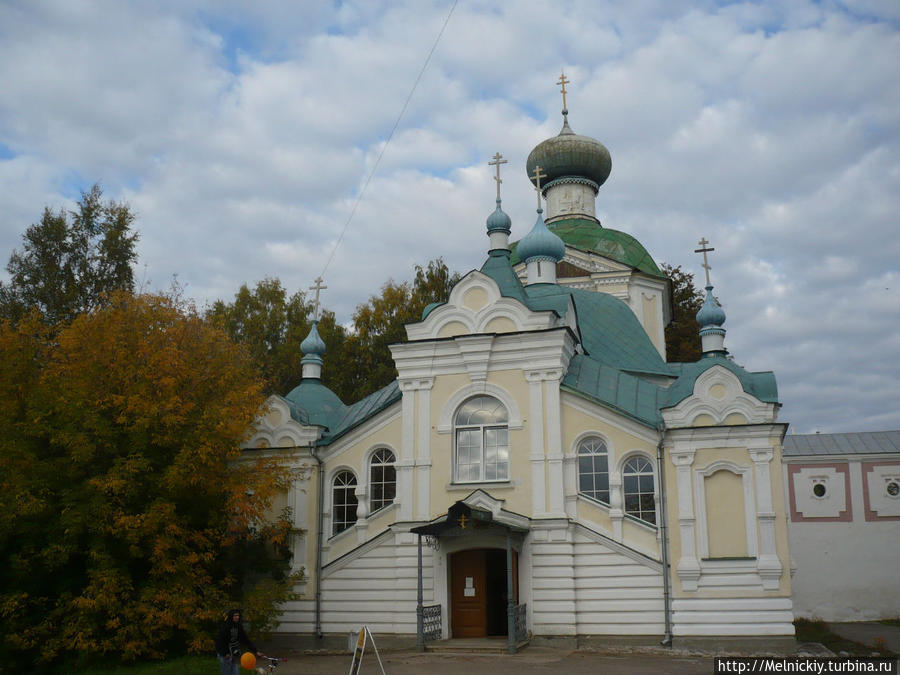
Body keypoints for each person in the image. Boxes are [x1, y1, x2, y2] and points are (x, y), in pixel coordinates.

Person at [215, 608, 262, 675]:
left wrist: (256, 651)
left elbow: (245, 640)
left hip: (233, 653)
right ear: (231, 616)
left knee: (235, 673)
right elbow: (221, 641)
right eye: (235, 615)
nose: (237, 617)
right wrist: (225, 653)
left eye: (238, 615)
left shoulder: (238, 627)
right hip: (224, 655)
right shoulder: (226, 627)